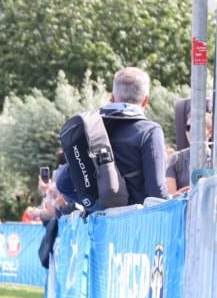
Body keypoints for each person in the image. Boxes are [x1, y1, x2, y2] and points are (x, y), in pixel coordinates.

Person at [55, 67, 169, 206]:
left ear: (112, 98)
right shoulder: (150, 131)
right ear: (145, 101)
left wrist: (93, 205)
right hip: (137, 222)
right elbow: (156, 190)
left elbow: (63, 182)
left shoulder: (93, 129)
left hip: (102, 222)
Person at [166, 109, 212, 195]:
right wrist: (177, 197)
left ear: (209, 132)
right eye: (188, 127)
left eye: (196, 127)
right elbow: (170, 197)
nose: (190, 131)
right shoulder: (176, 159)